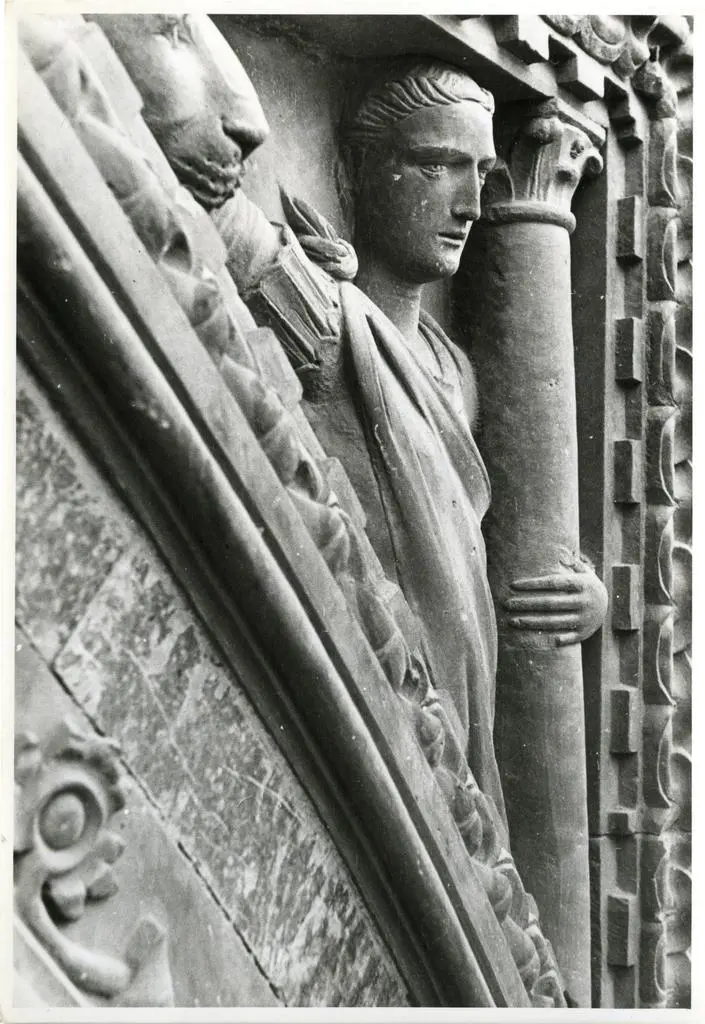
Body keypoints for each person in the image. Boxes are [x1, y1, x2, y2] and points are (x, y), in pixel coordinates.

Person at [213, 60, 607, 823]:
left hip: (470, 700)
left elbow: (479, 536)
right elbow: (211, 213)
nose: (467, 204)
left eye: (483, 172)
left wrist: (589, 599)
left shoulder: (452, 367)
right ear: (349, 172)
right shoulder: (321, 317)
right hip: (379, 681)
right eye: (434, 166)